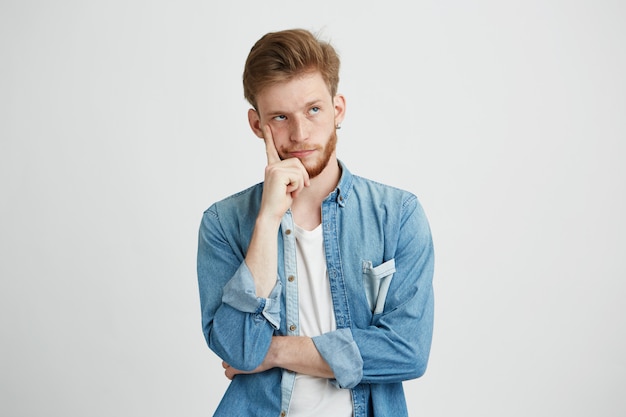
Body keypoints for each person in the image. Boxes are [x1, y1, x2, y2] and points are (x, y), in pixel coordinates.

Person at [197, 28, 435, 417]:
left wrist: (273, 352)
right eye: (280, 117)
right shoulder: (224, 223)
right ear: (258, 125)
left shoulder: (397, 215)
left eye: (313, 110)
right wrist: (268, 218)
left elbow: (408, 352)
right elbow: (238, 349)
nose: (300, 133)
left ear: (337, 110)